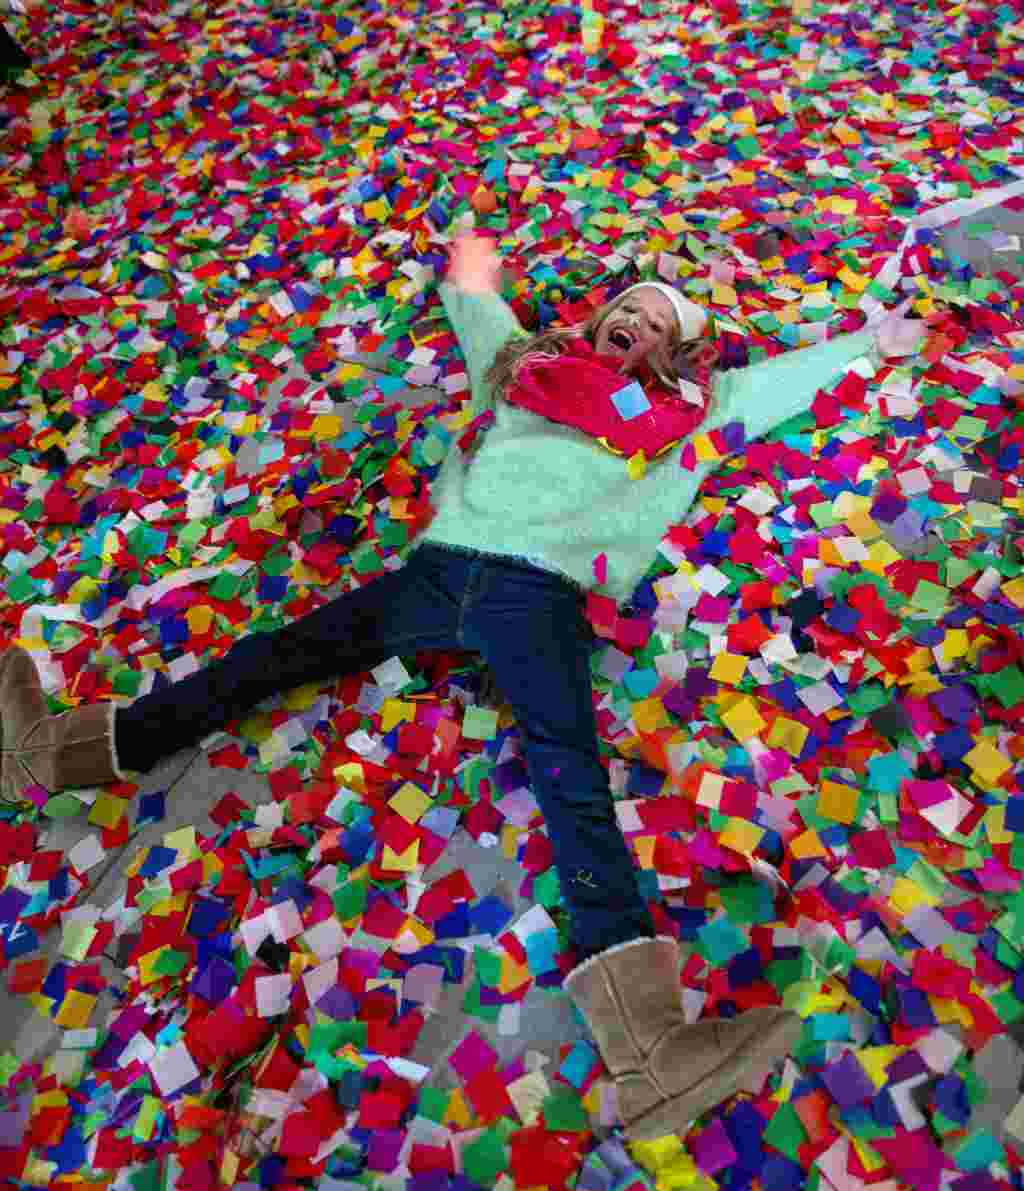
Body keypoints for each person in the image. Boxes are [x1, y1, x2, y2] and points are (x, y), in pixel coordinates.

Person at [0, 232, 929, 1139]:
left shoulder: (691, 409)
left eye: (658, 324)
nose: (636, 325)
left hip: (539, 592)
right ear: (600, 318)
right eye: (628, 309)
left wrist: (868, 344)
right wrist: (471, 262)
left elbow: (769, 386)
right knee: (270, 656)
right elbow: (480, 314)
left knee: (570, 771)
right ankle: (62, 751)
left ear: (672, 352)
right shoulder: (525, 370)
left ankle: (648, 1044)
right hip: (440, 568)